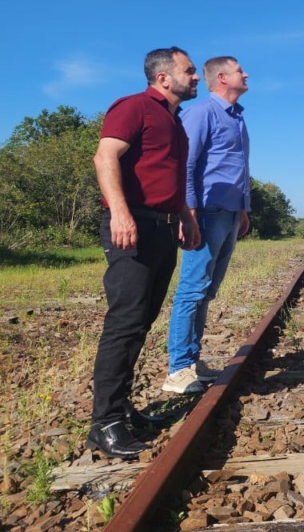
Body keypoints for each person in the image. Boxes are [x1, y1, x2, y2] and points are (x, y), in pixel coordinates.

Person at [88, 47, 202, 459]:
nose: (196, 77)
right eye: (190, 71)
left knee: (142, 322)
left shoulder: (176, 123)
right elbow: (105, 156)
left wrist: (186, 217)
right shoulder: (134, 106)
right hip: (130, 225)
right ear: (163, 78)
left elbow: (170, 178)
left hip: (163, 227)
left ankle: (120, 408)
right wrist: (119, 212)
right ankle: (104, 423)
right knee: (125, 322)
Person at [163, 56, 252, 394]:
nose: (245, 74)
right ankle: (178, 369)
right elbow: (185, 165)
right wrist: (189, 213)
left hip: (229, 214)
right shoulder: (203, 112)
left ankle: (192, 361)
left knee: (207, 291)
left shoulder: (238, 117)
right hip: (207, 213)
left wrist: (243, 209)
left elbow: (236, 168)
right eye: (239, 70)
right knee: (192, 288)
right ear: (221, 78)